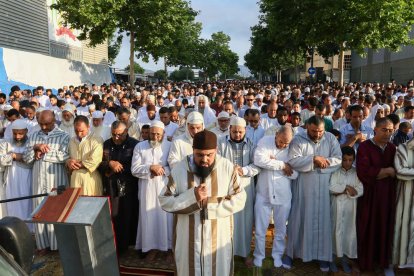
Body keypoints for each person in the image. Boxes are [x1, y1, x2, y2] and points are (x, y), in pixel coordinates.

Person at [159, 130, 246, 276]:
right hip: (187, 240)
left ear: (216, 151)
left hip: (218, 239)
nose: (204, 159)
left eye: (209, 155)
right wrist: (192, 197)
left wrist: (209, 205)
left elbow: (240, 198)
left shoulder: (227, 168)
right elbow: (164, 200)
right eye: (199, 155)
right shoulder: (180, 169)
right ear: (193, 151)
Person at [284, 116, 342, 272]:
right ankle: (291, 254)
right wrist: (313, 159)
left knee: (323, 221)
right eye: (314, 131)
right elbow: (293, 161)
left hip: (323, 187)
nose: (317, 135)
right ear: (307, 127)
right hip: (303, 187)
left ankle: (323, 256)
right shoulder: (298, 139)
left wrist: (321, 163)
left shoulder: (330, 138)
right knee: (298, 219)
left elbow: (338, 159)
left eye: (320, 131)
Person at [24, 110, 70, 251]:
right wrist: (35, 148)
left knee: (56, 212)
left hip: (56, 181)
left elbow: (65, 156)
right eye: (41, 124)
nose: (43, 127)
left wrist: (44, 151)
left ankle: (58, 246)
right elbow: (26, 159)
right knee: (39, 211)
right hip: (38, 180)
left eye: (47, 124)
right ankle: (42, 244)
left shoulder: (64, 136)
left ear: (54, 120)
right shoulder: (33, 136)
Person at [217, 116, 260, 265]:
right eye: (234, 132)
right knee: (227, 220)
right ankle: (227, 253)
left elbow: (257, 165)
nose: (237, 135)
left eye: (240, 132)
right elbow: (216, 162)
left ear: (245, 131)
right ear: (229, 129)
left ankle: (245, 252)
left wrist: (244, 170)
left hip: (246, 186)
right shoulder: (221, 143)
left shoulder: (252, 144)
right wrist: (230, 169)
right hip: (226, 187)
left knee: (246, 221)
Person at [356, 117, 396, 274]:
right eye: (384, 130)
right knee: (367, 227)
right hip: (369, 197)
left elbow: (397, 170)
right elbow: (363, 172)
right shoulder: (365, 147)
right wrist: (386, 171)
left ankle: (385, 263)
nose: (387, 133)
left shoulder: (393, 148)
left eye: (391, 130)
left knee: (386, 227)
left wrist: (385, 172)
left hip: (387, 196)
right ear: (375, 130)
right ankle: (366, 263)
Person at [253, 126, 297, 268]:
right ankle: (259, 255)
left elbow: (296, 173)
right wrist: (282, 164)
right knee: (260, 229)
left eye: (286, 143)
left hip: (283, 195)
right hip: (263, 193)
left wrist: (271, 162)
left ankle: (277, 255)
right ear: (276, 134)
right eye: (281, 141)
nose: (283, 145)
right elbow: (258, 160)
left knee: (280, 229)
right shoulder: (265, 141)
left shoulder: (293, 148)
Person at [131, 121, 173, 261]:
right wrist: (150, 168)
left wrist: (161, 170)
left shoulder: (170, 146)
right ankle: (151, 248)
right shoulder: (140, 146)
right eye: (152, 134)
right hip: (146, 188)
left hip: (164, 186)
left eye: (158, 134)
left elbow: (174, 166)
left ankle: (168, 248)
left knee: (166, 218)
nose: (155, 137)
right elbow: (134, 169)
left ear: (163, 134)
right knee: (149, 218)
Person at [100, 121, 139, 255]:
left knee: (127, 215)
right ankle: (115, 246)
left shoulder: (134, 144)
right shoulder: (107, 144)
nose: (116, 138)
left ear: (126, 132)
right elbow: (100, 164)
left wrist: (119, 167)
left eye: (119, 135)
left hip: (128, 186)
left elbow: (136, 166)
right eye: (114, 134)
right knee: (113, 216)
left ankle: (127, 245)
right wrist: (110, 163)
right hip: (111, 185)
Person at [329, 146, 363, 273]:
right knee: (335, 232)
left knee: (347, 234)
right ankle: (331, 260)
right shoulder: (335, 171)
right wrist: (347, 187)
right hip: (336, 206)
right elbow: (332, 187)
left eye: (350, 160)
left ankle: (344, 261)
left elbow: (360, 188)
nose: (347, 163)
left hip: (350, 207)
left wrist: (343, 190)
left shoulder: (356, 172)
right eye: (344, 160)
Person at [0, 119, 33, 223]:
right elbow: (1, 159)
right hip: (10, 179)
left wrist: (11, 156)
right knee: (12, 201)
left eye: (20, 133)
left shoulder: (31, 142)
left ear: (26, 131)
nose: (18, 136)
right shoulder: (6, 142)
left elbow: (30, 160)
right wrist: (15, 156)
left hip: (27, 178)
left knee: (26, 202)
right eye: (15, 133)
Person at [67, 115, 103, 196]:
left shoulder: (96, 140)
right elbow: (67, 158)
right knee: (75, 205)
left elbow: (95, 160)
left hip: (90, 179)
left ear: (88, 127)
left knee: (90, 205)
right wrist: (69, 162)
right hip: (74, 179)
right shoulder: (72, 141)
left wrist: (77, 165)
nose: (79, 134)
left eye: (82, 131)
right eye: (76, 131)